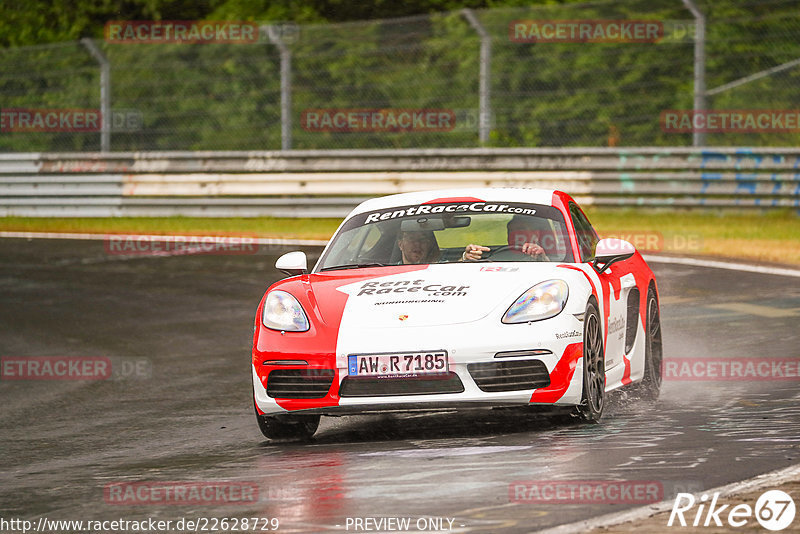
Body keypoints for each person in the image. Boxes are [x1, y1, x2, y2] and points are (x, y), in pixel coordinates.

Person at [462, 215, 550, 261]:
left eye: (521, 229)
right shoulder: (492, 257)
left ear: (536, 234)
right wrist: (466, 257)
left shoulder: (556, 257)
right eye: (511, 230)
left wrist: (542, 258)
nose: (515, 234)